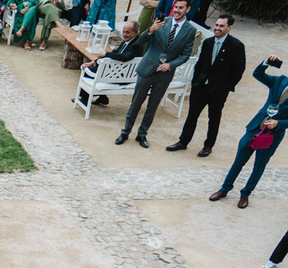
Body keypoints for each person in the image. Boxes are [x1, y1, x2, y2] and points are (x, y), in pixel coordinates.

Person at [209, 56, 288, 208]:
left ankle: (245, 194)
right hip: (255, 127)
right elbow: (258, 74)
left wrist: (279, 123)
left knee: (259, 166)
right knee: (239, 161)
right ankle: (224, 189)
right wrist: (266, 63)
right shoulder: (280, 81)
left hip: (273, 135)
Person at [116, 0, 195, 149]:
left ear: (188, 9)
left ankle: (142, 134)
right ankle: (125, 132)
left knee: (152, 107)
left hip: (164, 74)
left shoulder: (190, 30)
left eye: (181, 8)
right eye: (176, 7)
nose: (177, 10)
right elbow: (140, 40)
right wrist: (151, 30)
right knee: (135, 104)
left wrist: (171, 65)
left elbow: (185, 55)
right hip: (147, 68)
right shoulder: (162, 22)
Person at [167, 14, 244, 158]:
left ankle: (208, 145)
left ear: (229, 28)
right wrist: (196, 82)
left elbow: (238, 71)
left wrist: (225, 88)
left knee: (214, 118)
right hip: (201, 86)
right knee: (192, 116)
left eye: (221, 26)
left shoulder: (236, 46)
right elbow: (200, 63)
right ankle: (183, 141)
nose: (217, 28)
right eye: (217, 25)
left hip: (218, 91)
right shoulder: (208, 42)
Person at [76, 20, 141, 107]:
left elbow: (125, 57)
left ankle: (85, 99)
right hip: (119, 72)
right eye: (123, 32)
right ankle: (102, 98)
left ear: (135, 33)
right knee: (94, 68)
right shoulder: (128, 41)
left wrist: (106, 54)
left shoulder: (136, 45)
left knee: (88, 72)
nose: (124, 34)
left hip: (122, 77)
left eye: (127, 32)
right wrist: (93, 62)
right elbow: (115, 53)